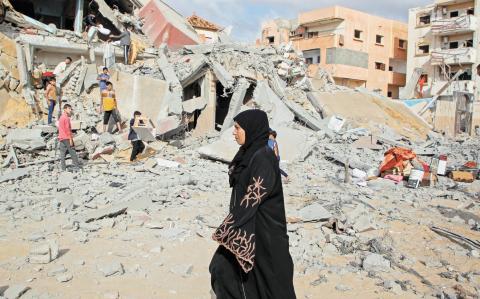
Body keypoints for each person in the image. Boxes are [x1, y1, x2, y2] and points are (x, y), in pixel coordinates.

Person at [209, 109, 296, 299]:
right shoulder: (248, 153)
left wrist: (227, 228)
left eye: (238, 128)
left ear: (251, 129)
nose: (234, 132)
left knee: (271, 285)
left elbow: (253, 197)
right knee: (223, 270)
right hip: (249, 226)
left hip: (265, 234)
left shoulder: (263, 158)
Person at [58, 104, 81, 171]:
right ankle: (77, 167)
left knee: (62, 154)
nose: (70, 110)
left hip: (61, 138)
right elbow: (68, 130)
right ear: (65, 109)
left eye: (70, 109)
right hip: (66, 138)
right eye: (69, 109)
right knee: (73, 152)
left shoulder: (61, 117)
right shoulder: (66, 118)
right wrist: (70, 139)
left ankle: (63, 168)